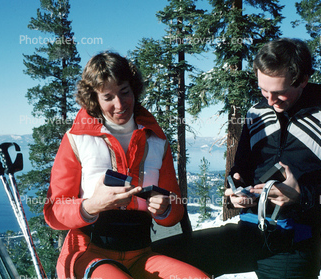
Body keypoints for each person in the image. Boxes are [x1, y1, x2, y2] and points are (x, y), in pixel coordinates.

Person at [43, 51, 210, 279]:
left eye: (124, 92)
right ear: (95, 99)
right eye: (108, 97)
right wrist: (91, 206)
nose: (120, 104)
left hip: (141, 254)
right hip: (88, 253)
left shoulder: (157, 141)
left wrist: (165, 208)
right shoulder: (77, 139)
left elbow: (176, 210)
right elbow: (53, 212)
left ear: (134, 89)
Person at [225, 38, 321, 278]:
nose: (270, 101)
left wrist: (302, 196)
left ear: (303, 80)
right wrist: (236, 187)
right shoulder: (256, 113)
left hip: (293, 243)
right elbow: (242, 168)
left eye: (280, 93)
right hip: (247, 230)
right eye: (263, 90)